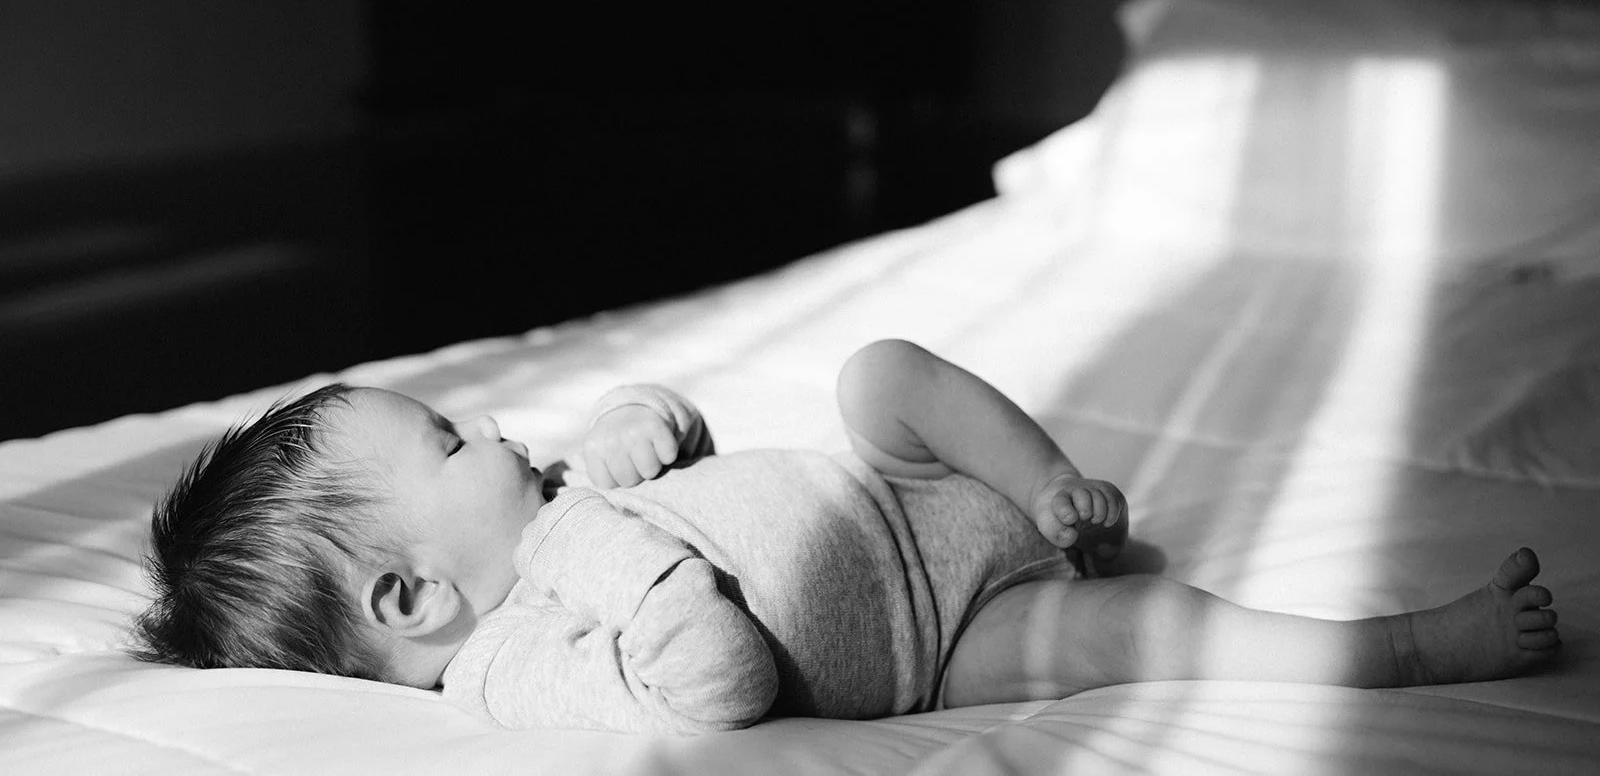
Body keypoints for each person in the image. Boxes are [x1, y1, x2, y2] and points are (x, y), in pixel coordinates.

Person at [132, 339, 1561, 734]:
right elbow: (719, 680)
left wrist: (641, 421)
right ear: (409, 593)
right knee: (1160, 632)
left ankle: (1053, 485)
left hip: (901, 491)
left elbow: (676, 436)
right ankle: (1409, 644)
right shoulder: (515, 659)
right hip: (944, 642)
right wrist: (590, 543)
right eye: (454, 442)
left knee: (881, 371)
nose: (500, 435)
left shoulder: (546, 500)